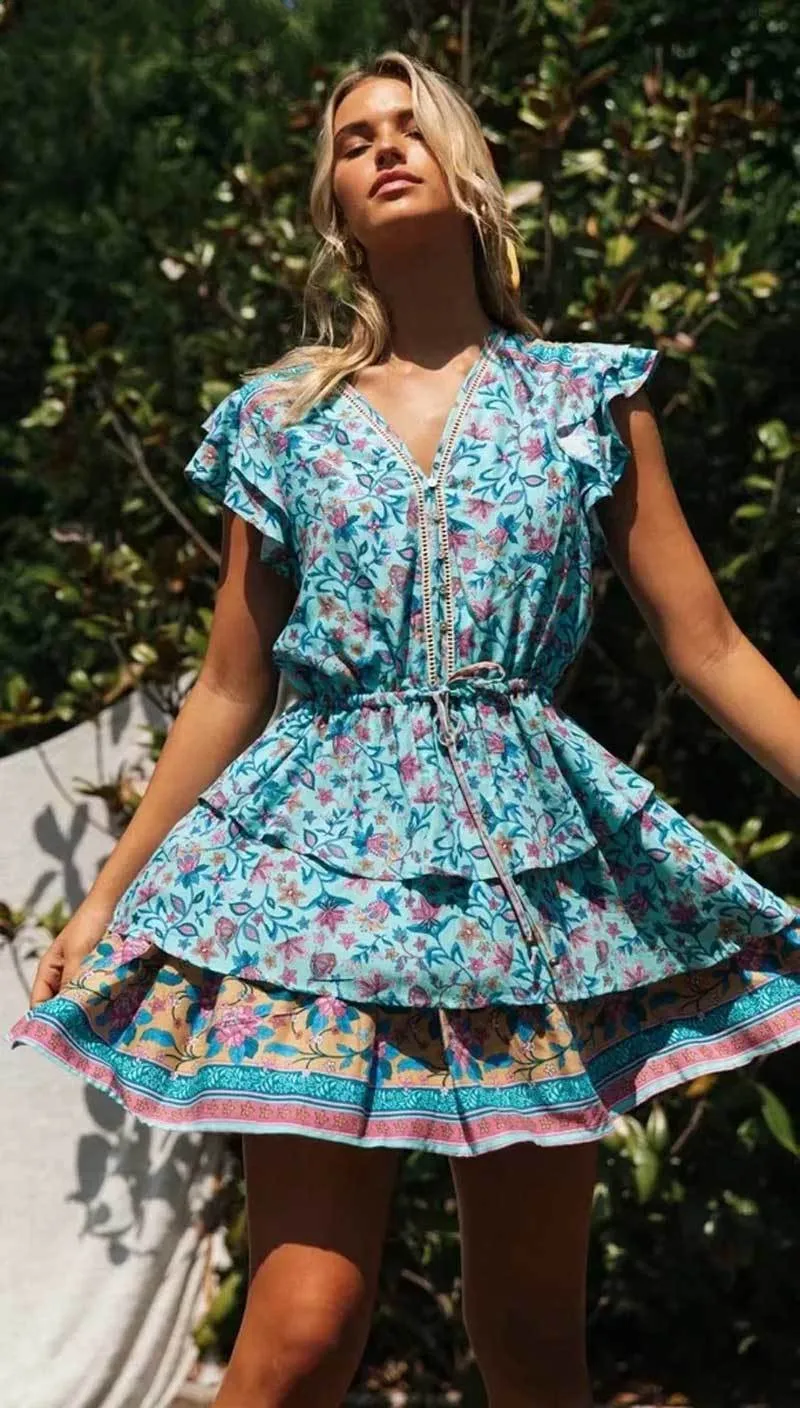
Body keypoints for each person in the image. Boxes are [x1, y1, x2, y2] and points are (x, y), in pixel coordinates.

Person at [6, 47, 800, 1408]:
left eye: (409, 126)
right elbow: (229, 688)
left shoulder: (585, 399)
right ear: (332, 201)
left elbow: (708, 643)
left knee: (533, 1337)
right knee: (307, 1325)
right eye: (352, 136)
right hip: (312, 880)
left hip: (533, 884)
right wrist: (107, 893)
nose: (382, 147)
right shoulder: (283, 419)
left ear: (467, 170)